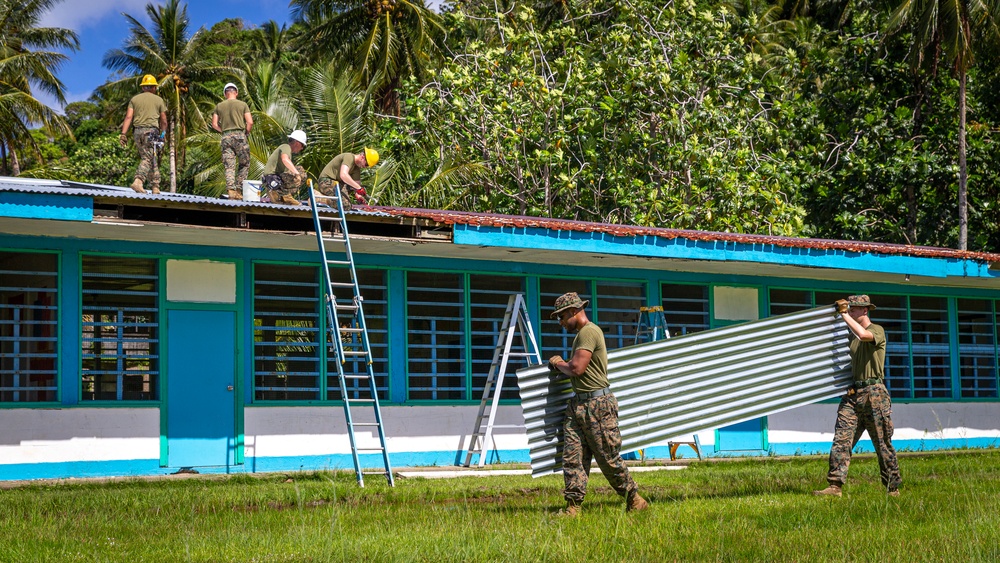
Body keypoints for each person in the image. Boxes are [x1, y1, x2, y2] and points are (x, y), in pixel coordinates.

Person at [547, 292, 649, 516]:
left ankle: (634, 499)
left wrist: (558, 363)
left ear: (574, 311)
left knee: (608, 459)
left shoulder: (589, 332)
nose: (561, 322)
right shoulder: (581, 335)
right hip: (579, 405)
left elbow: (576, 369)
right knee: (573, 457)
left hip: (597, 406)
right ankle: (572, 508)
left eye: (562, 317)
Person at [814, 294, 902, 498]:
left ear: (865, 310)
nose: (851, 312)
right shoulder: (850, 337)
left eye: (854, 309)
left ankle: (892, 488)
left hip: (875, 394)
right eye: (849, 309)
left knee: (882, 442)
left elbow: (863, 335)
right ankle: (835, 486)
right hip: (854, 394)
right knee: (841, 440)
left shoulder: (876, 330)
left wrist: (844, 315)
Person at [119, 74, 168, 194]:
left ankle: (155, 186)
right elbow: (164, 120)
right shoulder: (159, 100)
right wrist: (163, 134)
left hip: (137, 132)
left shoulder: (134, 99)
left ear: (143, 87)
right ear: (154, 88)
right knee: (148, 157)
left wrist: (123, 134)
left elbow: (128, 117)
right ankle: (138, 181)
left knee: (150, 157)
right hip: (151, 132)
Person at [211, 82, 253, 200]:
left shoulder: (219, 106)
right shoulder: (243, 104)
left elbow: (214, 124)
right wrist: (246, 133)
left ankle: (231, 190)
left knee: (229, 166)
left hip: (226, 137)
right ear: (236, 92)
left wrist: (224, 131)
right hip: (240, 136)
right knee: (244, 163)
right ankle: (239, 190)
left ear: (225, 94)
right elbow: (250, 122)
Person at [261, 130, 307, 206]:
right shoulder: (286, 147)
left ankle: (279, 195)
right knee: (301, 172)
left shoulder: (286, 149)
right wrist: (297, 174)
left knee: (293, 171)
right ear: (297, 143)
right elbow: (285, 159)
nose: (302, 148)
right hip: (272, 178)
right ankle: (286, 196)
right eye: (302, 146)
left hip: (271, 180)